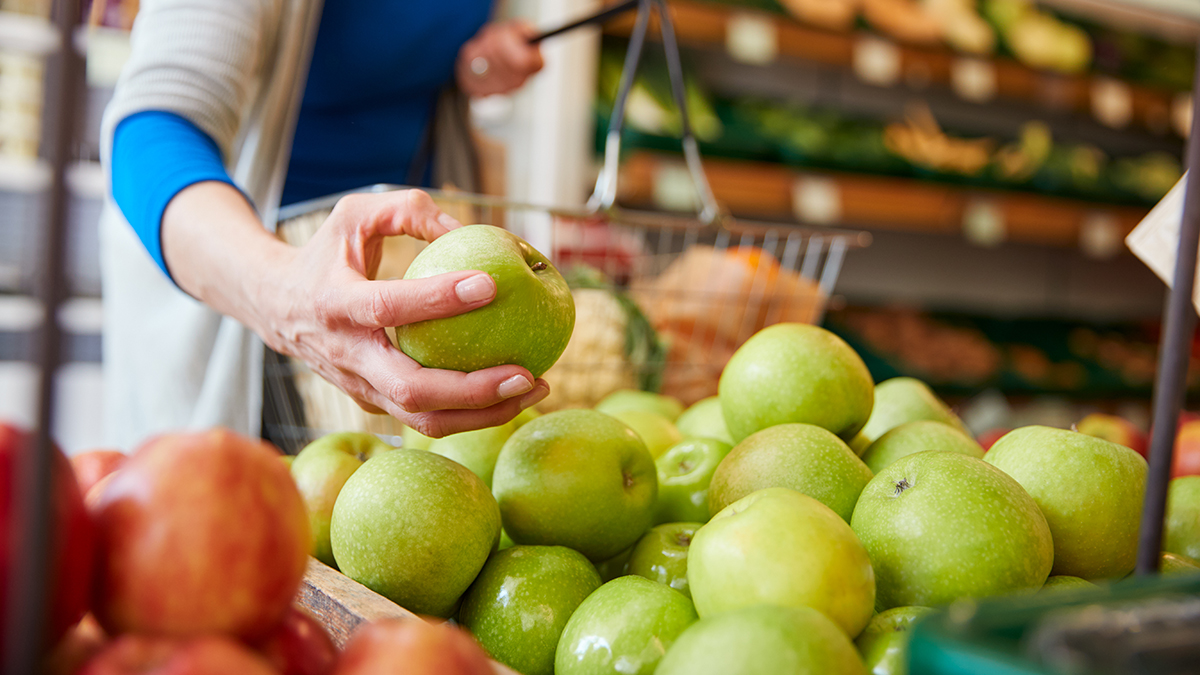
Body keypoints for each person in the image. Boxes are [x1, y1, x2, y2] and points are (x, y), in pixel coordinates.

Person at [100, 0, 550, 450]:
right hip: (246, 271)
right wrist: (283, 290)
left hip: (404, 267)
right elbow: (149, 136)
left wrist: (471, 62)